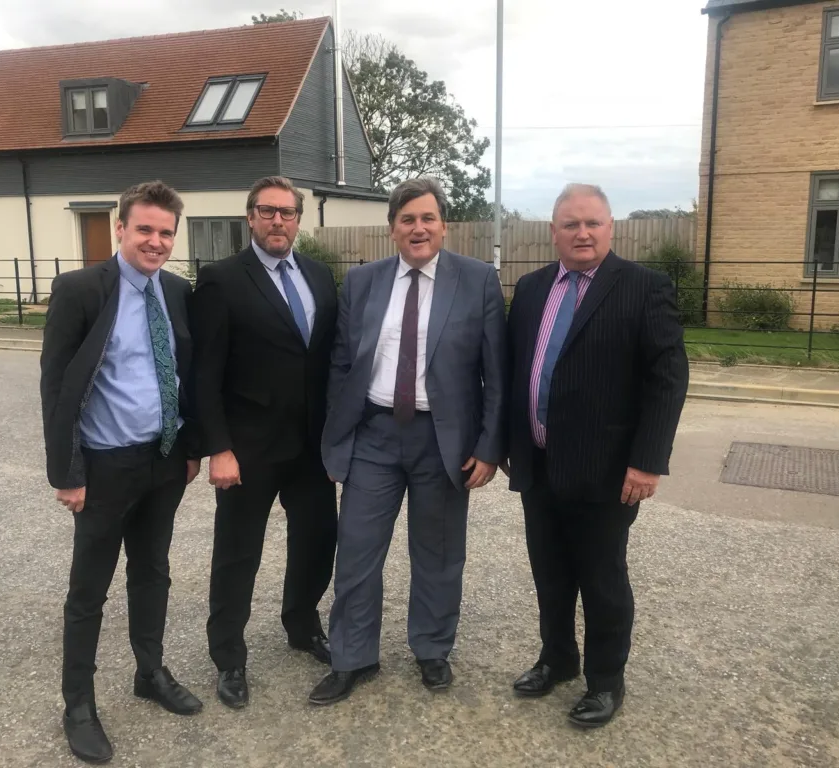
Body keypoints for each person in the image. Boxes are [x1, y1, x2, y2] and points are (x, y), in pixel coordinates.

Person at [308, 176, 507, 705]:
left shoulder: (478, 280)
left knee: (439, 553)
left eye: (427, 218)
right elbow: (342, 364)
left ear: (444, 225)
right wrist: (337, 437)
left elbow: (496, 373)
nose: (417, 228)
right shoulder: (364, 282)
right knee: (355, 550)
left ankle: (432, 648)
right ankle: (352, 655)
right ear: (392, 228)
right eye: (407, 219)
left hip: (443, 440)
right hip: (373, 436)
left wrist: (489, 446)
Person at [502, 183, 689, 728]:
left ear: (612, 227)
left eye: (593, 223)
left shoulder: (643, 287)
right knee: (550, 573)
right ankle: (557, 658)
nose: (582, 233)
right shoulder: (533, 287)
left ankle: (606, 681)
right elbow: (519, 370)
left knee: (602, 580)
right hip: (538, 465)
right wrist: (513, 444)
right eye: (570, 224)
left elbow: (668, 379)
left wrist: (648, 460)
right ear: (553, 230)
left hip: (607, 471)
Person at [40, 180, 203, 764]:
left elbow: (188, 373)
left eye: (165, 232)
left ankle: (149, 671)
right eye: (145, 229)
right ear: (120, 228)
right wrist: (67, 472)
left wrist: (191, 449)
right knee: (88, 591)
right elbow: (57, 385)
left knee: (152, 572)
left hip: (162, 461)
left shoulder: (179, 291)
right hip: (104, 467)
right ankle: (77, 704)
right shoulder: (81, 289)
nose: (155, 241)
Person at [191, 176, 339, 711]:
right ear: (249, 217)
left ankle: (302, 625)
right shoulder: (221, 280)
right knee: (237, 554)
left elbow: (325, 362)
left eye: (288, 212)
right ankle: (228, 655)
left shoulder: (321, 278)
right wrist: (219, 448)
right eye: (267, 211)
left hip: (312, 447)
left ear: (300, 219)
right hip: (248, 449)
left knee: (318, 541)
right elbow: (204, 374)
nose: (279, 221)